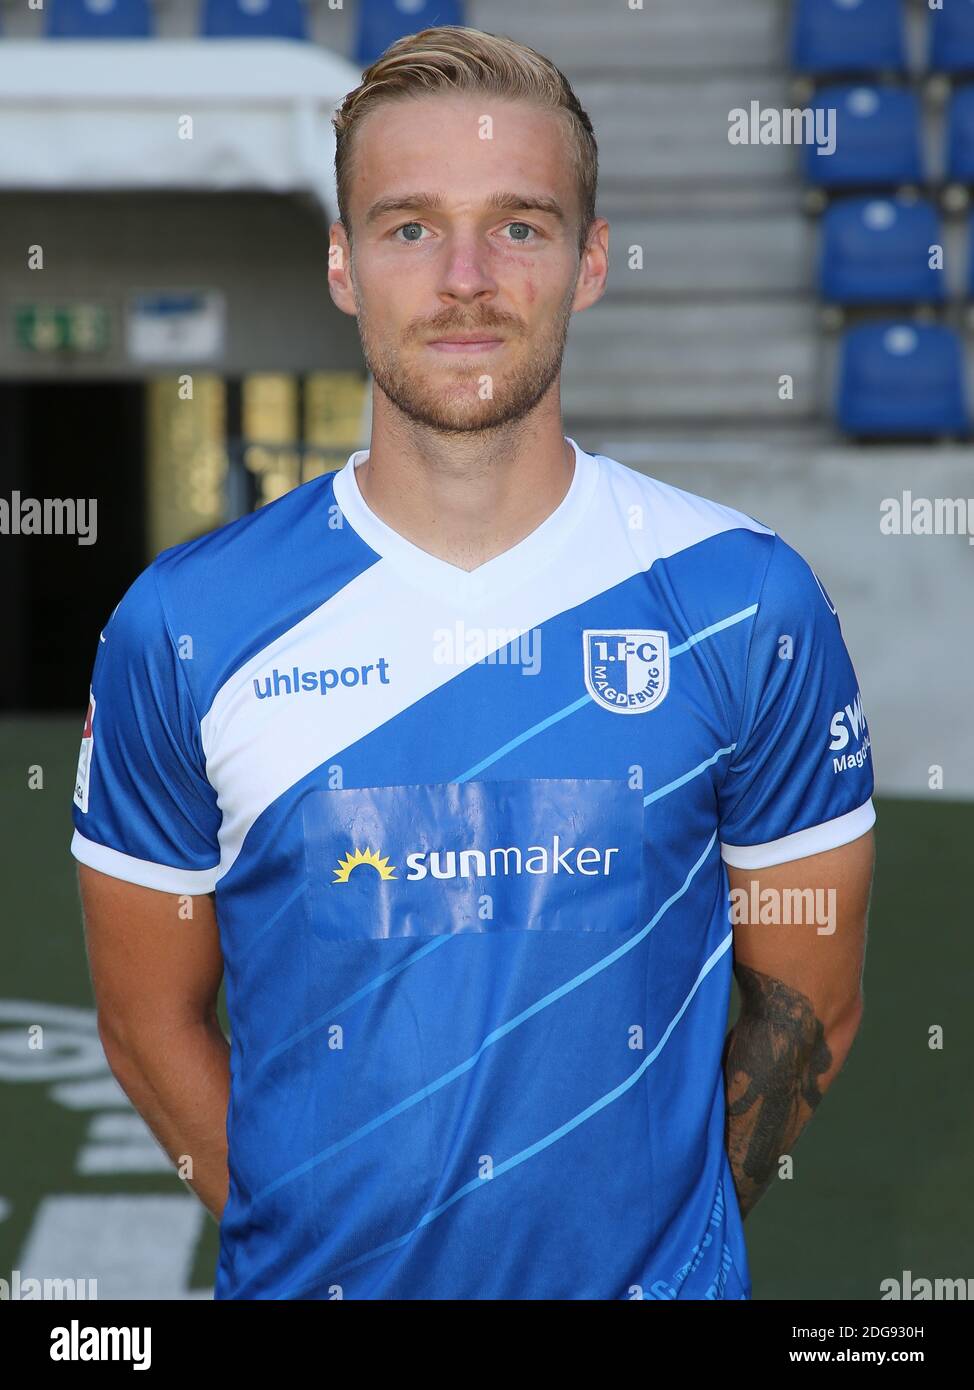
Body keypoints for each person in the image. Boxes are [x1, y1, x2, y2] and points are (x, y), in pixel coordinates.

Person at [72, 25, 875, 1300]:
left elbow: (803, 1013)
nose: (462, 278)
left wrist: (659, 1255)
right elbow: (145, 1023)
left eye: (517, 225)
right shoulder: (185, 624)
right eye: (406, 228)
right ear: (340, 263)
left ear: (589, 261)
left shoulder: (743, 602)